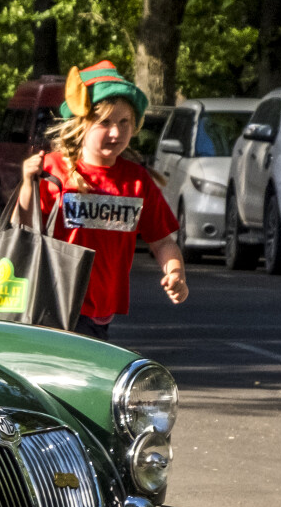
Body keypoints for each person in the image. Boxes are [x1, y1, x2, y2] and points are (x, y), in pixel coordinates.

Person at [15, 60, 188, 338]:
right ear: (81, 125)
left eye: (124, 122)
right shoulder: (52, 169)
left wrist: (175, 272)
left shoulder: (136, 180)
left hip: (101, 311)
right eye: (104, 123)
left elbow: (162, 241)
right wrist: (27, 184)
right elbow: (20, 230)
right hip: (52, 304)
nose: (116, 132)